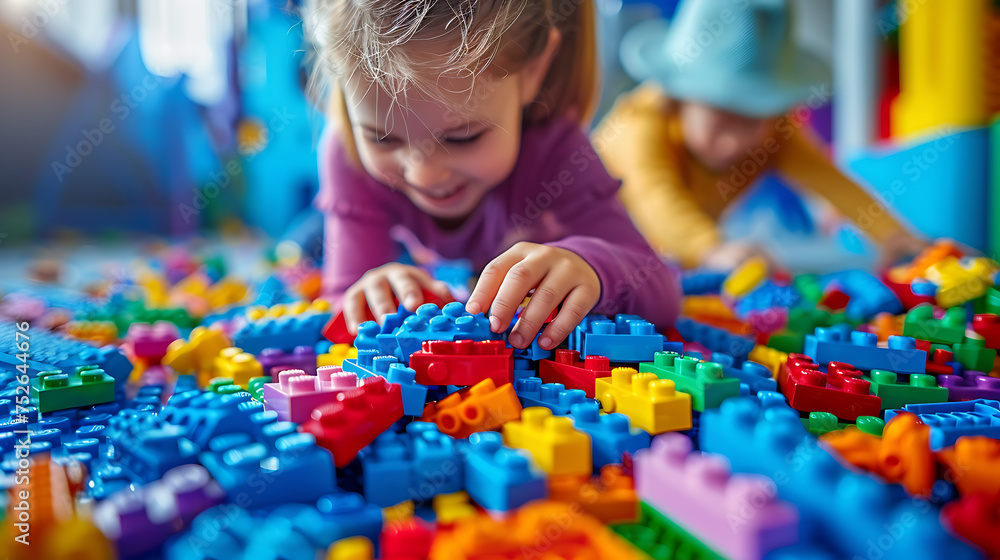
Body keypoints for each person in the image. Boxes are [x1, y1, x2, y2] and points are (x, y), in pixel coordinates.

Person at [304, 0, 680, 350]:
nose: (425, 173)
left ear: (533, 71)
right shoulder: (347, 151)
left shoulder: (558, 153)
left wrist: (592, 267)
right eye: (382, 138)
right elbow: (341, 302)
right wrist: (367, 292)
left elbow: (660, 287)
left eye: (462, 136)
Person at [594, 0, 928, 270]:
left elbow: (831, 180)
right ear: (681, 98)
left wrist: (892, 236)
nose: (735, 142)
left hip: (667, 257)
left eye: (754, 121)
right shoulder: (639, 126)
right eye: (724, 119)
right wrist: (711, 248)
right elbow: (656, 198)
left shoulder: (774, 132)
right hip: (589, 245)